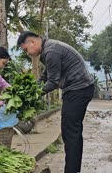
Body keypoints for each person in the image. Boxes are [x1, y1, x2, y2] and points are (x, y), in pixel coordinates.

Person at [17, 31, 94, 173]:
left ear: (32, 42)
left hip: (78, 90)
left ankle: (71, 170)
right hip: (77, 90)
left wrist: (34, 95)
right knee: (71, 131)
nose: (27, 53)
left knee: (70, 132)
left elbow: (53, 82)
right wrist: (31, 88)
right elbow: (46, 76)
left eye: (26, 49)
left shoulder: (51, 51)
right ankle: (73, 169)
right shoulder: (49, 49)